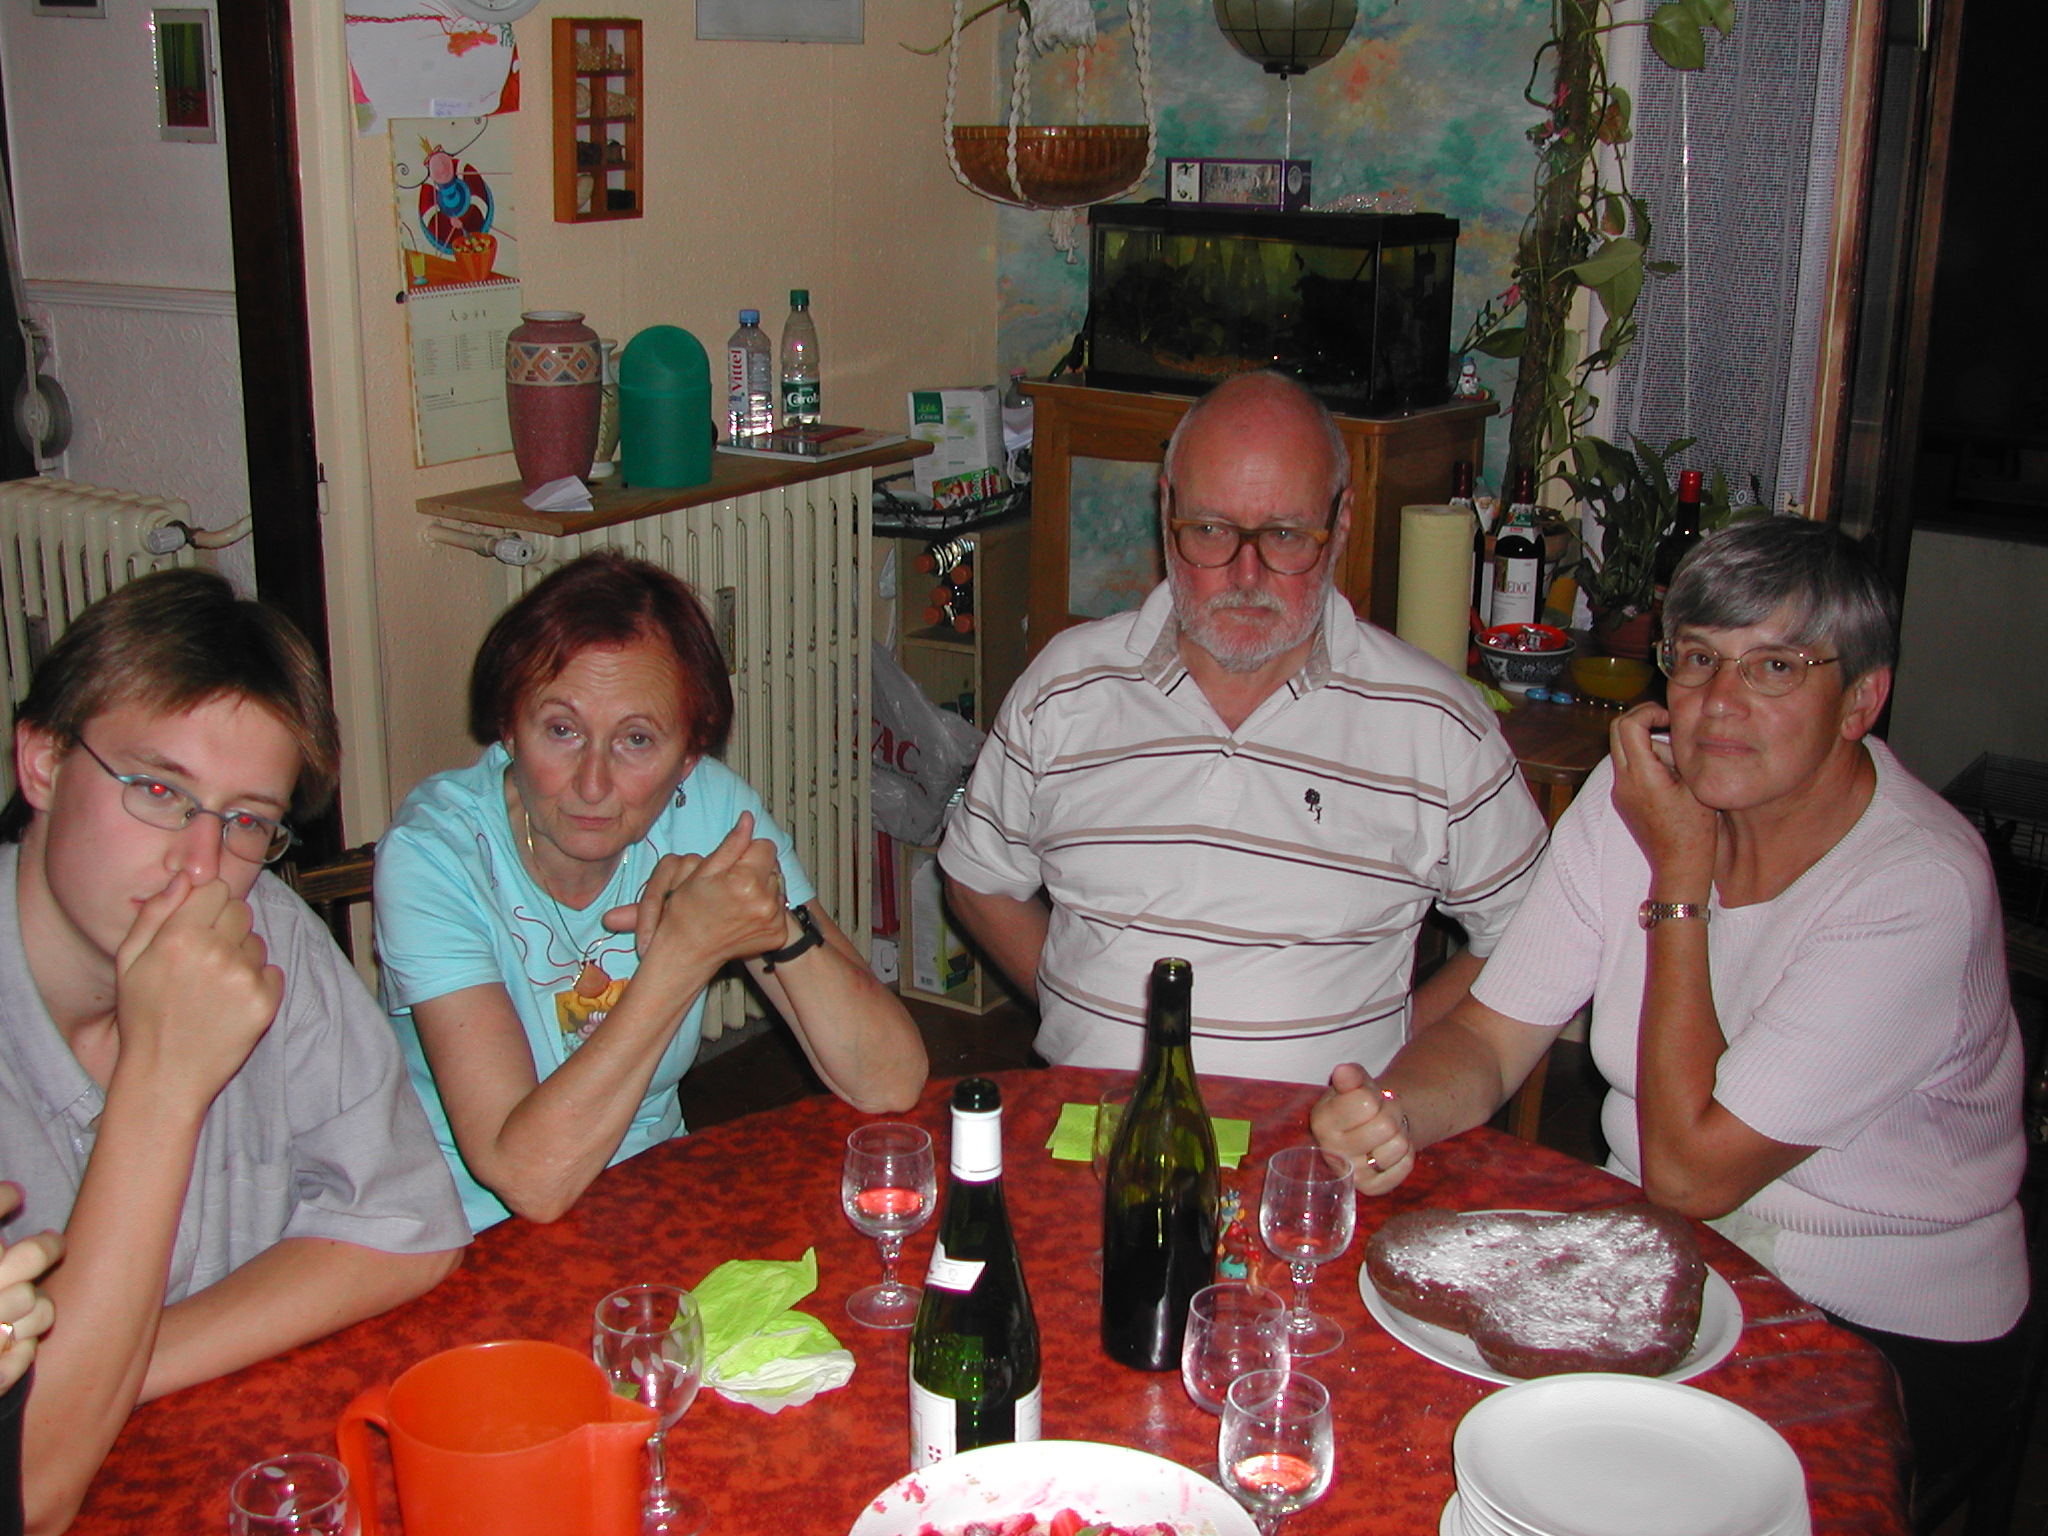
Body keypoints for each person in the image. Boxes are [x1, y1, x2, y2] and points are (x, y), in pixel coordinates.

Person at [1313, 518, 2029, 1518]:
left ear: (1860, 700)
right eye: (1696, 659)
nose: (1720, 704)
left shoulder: (1916, 888)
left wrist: (1679, 883)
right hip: (1650, 1260)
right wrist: (1389, 1115)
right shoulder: (1637, 794)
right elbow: (1489, 1037)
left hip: (1874, 1320)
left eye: (1773, 667)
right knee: (1391, 1413)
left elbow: (1692, 1172)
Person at [0, 570, 469, 1533]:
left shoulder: (261, 927)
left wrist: (102, 1367)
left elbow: (408, 1228)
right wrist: (164, 1080)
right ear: (41, 763)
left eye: (248, 819)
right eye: (158, 790)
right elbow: (31, 1492)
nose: (202, 864)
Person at [939, 371, 1547, 1083]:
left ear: (1341, 523)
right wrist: (1074, 1013)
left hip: (1321, 1141)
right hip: (1101, 1127)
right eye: (1210, 530)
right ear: (1165, 509)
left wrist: (1403, 1062)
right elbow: (978, 878)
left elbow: (1538, 934)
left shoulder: (1436, 723)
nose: (1246, 574)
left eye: (1285, 534)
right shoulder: (1065, 687)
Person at [375, 550, 927, 1230]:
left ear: (690, 755)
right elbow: (531, 1182)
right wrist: (687, 951)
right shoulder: (433, 856)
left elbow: (890, 1082)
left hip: (646, 1202)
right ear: (509, 726)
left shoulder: (709, 810)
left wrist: (775, 928)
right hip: (462, 1235)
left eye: (636, 740)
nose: (593, 784)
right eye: (561, 730)